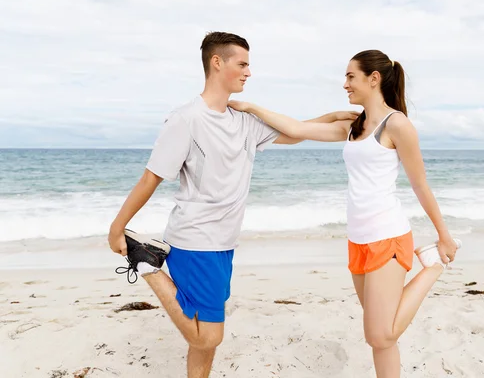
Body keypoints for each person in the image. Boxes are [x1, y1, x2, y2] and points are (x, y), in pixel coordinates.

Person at [107, 31, 358, 378]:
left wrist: (351, 117)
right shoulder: (186, 120)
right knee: (209, 335)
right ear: (217, 62)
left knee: (202, 338)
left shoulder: (243, 122)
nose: (248, 72)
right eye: (242, 64)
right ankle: (147, 263)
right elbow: (151, 178)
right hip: (196, 240)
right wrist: (117, 228)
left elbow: (301, 131)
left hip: (224, 243)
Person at [228, 49, 460, 378]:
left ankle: (432, 266)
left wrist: (443, 236)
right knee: (381, 339)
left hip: (388, 236)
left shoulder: (398, 125)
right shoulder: (354, 126)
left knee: (380, 333)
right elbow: (297, 129)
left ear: (374, 78)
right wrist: (251, 107)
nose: (345, 83)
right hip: (358, 239)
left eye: (351, 76)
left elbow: (420, 185)